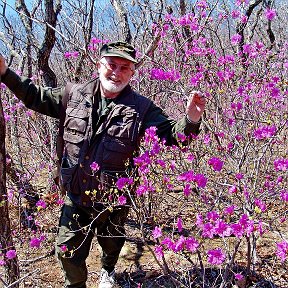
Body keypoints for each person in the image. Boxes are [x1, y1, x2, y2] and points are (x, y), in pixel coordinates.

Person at [0, 41, 206, 288]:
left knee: (111, 243)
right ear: (99, 65)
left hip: (114, 199)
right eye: (111, 65)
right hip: (76, 193)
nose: (116, 73)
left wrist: (191, 119)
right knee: (66, 250)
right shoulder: (72, 94)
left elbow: (174, 136)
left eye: (124, 68)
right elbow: (34, 96)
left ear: (132, 73)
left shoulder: (142, 108)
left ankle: (107, 269)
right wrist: (5, 73)